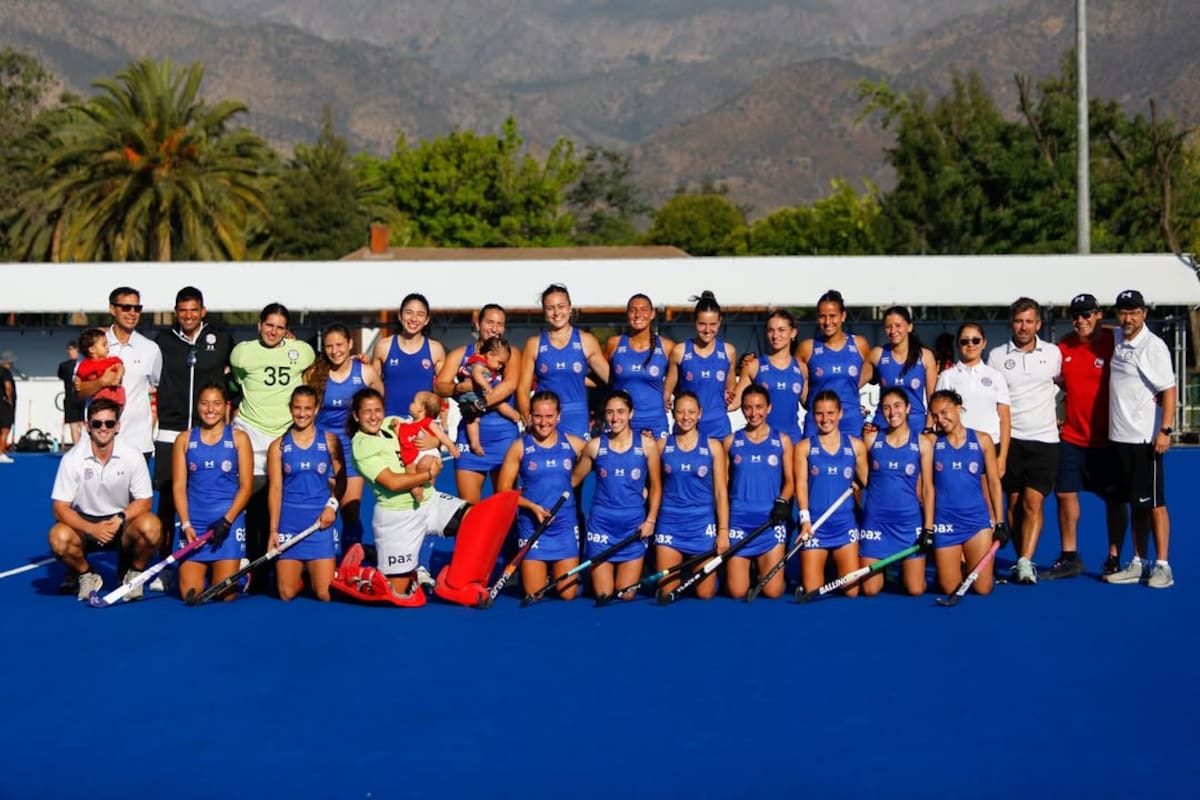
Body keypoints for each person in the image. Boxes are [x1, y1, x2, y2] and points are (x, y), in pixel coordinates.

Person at [348, 388, 469, 600]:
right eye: (367, 412)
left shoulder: (391, 423)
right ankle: (370, 555)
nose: (374, 417)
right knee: (399, 595)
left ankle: (457, 582)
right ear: (356, 416)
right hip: (398, 516)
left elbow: (425, 430)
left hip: (430, 500)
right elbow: (393, 483)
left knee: (475, 518)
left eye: (378, 410)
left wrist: (434, 442)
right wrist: (428, 474)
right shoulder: (361, 445)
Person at [229, 303, 316, 587]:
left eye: (280, 327)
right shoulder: (242, 353)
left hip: (285, 432)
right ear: (259, 325)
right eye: (269, 325)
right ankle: (252, 562)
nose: (273, 331)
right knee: (253, 499)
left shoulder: (302, 351)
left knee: (286, 499)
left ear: (287, 330)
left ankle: (289, 560)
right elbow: (239, 382)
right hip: (252, 430)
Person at [47, 398, 163, 600]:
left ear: (117, 426)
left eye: (109, 423)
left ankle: (134, 575)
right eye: (97, 423)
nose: (103, 428)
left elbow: (145, 501)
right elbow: (60, 508)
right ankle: (87, 574)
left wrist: (120, 518)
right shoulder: (72, 459)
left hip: (120, 523)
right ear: (88, 426)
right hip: (85, 525)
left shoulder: (132, 456)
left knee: (152, 527)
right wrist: (92, 529)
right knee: (58, 538)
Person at [1046, 293, 1127, 580]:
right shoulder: (1063, 347)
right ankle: (1070, 556)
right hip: (1072, 436)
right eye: (1076, 316)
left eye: (1087, 314)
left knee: (1115, 500)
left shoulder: (1115, 341)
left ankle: (1114, 557)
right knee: (1065, 494)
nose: (1080, 320)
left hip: (1109, 438)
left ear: (1098, 315)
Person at [153, 286, 235, 558]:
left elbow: (242, 369)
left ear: (203, 311)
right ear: (175, 312)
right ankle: (165, 561)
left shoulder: (221, 339)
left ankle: (216, 554)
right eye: (183, 310)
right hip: (170, 431)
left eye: (194, 310)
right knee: (167, 501)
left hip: (208, 432)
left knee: (210, 493)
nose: (188, 316)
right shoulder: (163, 341)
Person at [1104, 289, 1177, 589]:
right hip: (1119, 438)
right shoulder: (1118, 338)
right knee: (1136, 503)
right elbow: (1101, 329)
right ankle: (1138, 562)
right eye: (1123, 312)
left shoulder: (1153, 347)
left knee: (1155, 504)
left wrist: (1165, 430)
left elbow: (1169, 389)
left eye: (1134, 312)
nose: (1128, 318)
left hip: (1145, 439)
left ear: (1144, 314)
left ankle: (1163, 566)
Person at [986, 297, 1061, 585]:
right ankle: (1021, 559)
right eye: (1019, 321)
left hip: (1044, 440)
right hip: (1011, 440)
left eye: (1029, 321)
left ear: (1038, 324)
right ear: (1011, 323)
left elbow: (1070, 384)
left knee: (1033, 501)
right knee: (1014, 503)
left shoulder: (1053, 354)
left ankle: (1026, 560)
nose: (1024, 327)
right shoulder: (996, 356)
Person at [496, 390, 586, 600]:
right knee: (534, 593)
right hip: (532, 524)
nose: (543, 422)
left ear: (559, 416)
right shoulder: (519, 447)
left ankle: (566, 575)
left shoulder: (574, 444)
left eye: (549, 416)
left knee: (567, 594)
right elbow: (504, 490)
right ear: (530, 416)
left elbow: (607, 456)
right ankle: (536, 573)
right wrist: (532, 507)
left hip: (564, 525)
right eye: (537, 416)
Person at [571, 390, 661, 600]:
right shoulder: (594, 446)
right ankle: (591, 575)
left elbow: (656, 486)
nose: (614, 418)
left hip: (633, 526)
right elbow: (573, 480)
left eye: (620, 412)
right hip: (602, 524)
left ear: (631, 413)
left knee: (625, 595)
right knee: (603, 593)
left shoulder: (647, 445)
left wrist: (650, 520)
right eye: (610, 412)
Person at [434, 303, 522, 504]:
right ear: (478, 323)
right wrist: (460, 388)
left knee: (504, 505)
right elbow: (440, 386)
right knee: (469, 507)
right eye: (490, 322)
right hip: (470, 436)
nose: (494, 328)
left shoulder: (510, 354)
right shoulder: (460, 354)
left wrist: (478, 404)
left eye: (500, 324)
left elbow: (509, 386)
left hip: (504, 437)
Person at [172, 384, 253, 602]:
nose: (210, 409)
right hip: (195, 524)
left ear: (226, 406)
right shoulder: (184, 440)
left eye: (216, 403)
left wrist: (226, 521)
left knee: (224, 595)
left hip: (227, 522)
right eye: (205, 403)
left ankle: (241, 575)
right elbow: (179, 486)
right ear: (197, 406)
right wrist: (186, 525)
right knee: (190, 594)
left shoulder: (239, 438)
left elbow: (246, 486)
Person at [305, 323, 381, 551]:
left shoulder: (365, 372)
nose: (335, 350)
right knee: (321, 510)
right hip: (321, 449)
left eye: (339, 344)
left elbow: (379, 407)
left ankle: (351, 560)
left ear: (350, 344)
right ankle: (317, 560)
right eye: (329, 346)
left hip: (351, 450)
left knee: (350, 511)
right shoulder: (314, 373)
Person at [268, 386, 345, 602]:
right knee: (286, 593)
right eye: (297, 408)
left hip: (319, 521)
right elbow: (275, 489)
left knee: (324, 593)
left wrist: (332, 506)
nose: (302, 414)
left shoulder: (329, 441)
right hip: (289, 523)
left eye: (308, 408)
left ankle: (313, 572)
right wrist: (273, 530)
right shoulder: (278, 446)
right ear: (290, 408)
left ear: (317, 409)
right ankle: (301, 573)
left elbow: (342, 480)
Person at [927, 390, 1005, 597]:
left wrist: (999, 522)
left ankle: (968, 564)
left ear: (958, 408)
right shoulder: (931, 442)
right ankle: (956, 565)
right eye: (935, 416)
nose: (940, 420)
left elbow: (994, 483)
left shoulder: (982, 440)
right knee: (949, 588)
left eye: (944, 412)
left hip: (976, 522)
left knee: (983, 589)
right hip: (945, 522)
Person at [859, 387, 934, 596]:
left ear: (908, 408)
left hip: (907, 523)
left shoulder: (922, 443)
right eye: (886, 408)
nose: (892, 413)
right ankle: (886, 565)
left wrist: (928, 528)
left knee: (915, 589)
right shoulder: (871, 440)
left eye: (897, 406)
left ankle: (901, 567)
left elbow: (928, 488)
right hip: (876, 521)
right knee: (870, 589)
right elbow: (862, 476)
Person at [654, 391, 729, 599]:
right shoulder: (661, 445)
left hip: (701, 523)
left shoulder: (713, 446)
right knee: (668, 591)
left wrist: (723, 531)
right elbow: (651, 485)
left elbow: (721, 492)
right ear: (673, 414)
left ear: (700, 413)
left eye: (691, 412)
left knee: (705, 594)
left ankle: (715, 575)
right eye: (680, 412)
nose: (686, 417)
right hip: (670, 522)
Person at [794, 390, 868, 596]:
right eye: (819, 414)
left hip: (844, 525)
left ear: (840, 413)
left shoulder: (856, 446)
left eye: (830, 413)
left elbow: (868, 482)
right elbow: (801, 485)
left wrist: (859, 485)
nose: (825, 419)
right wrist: (805, 520)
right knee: (813, 591)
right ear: (812, 415)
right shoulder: (804, 447)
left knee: (851, 592)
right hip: (815, 526)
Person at [75, 287, 162, 463]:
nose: (132, 313)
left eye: (137, 308)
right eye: (126, 307)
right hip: (98, 441)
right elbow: (78, 391)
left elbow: (158, 388)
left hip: (137, 443)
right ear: (112, 309)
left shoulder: (150, 349)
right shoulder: (94, 343)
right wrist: (102, 382)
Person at [723, 385, 794, 599]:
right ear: (742, 409)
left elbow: (790, 481)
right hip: (739, 521)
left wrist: (783, 501)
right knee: (737, 592)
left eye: (759, 407)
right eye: (748, 408)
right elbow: (723, 485)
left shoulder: (782, 440)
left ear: (769, 408)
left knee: (773, 592)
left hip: (769, 521)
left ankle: (764, 570)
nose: (754, 413)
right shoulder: (731, 441)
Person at [517, 284, 609, 440]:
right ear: (544, 312)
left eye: (561, 306)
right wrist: (529, 419)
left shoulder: (586, 341)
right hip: (545, 416)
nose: (556, 313)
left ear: (570, 308)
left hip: (576, 416)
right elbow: (522, 389)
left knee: (578, 456)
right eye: (550, 308)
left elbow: (612, 379)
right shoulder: (534, 344)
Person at [933, 322, 1011, 475]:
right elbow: (938, 415)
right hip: (956, 448)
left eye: (976, 340)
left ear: (984, 343)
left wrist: (1002, 457)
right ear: (958, 345)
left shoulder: (996, 376)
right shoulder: (947, 376)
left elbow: (1005, 420)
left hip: (990, 447)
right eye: (964, 341)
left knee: (989, 491)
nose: (970, 345)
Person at [796, 289, 872, 437]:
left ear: (843, 316)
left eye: (832, 316)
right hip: (818, 423)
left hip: (851, 423)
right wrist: (811, 404)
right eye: (822, 316)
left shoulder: (859, 344)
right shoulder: (807, 348)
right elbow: (798, 382)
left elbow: (869, 373)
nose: (827, 322)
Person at [664, 290, 737, 441]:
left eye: (713, 324)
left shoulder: (728, 351)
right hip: (687, 428)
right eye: (702, 324)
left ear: (720, 322)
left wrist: (729, 395)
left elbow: (730, 390)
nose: (707, 330)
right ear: (694, 322)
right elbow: (666, 393)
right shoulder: (680, 351)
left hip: (719, 429)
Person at [605, 293, 675, 440]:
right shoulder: (614, 343)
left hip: (655, 423)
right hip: (621, 421)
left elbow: (680, 379)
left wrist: (669, 396)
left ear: (652, 314)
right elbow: (601, 376)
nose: (638, 315)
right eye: (633, 310)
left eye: (643, 310)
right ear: (627, 314)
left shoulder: (667, 346)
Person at [731, 309, 807, 442]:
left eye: (781, 330)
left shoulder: (801, 368)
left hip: (792, 440)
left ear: (793, 332)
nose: (775, 335)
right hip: (762, 441)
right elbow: (733, 403)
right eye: (771, 330)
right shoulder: (753, 366)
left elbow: (809, 403)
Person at [372, 293, 447, 419]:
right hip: (389, 421)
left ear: (427, 320)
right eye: (408, 312)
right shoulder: (383, 346)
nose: (413, 318)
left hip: (422, 423)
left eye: (420, 314)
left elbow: (444, 387)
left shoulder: (435, 349)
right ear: (400, 316)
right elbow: (371, 385)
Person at [869, 306, 937, 433]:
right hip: (884, 426)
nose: (893, 330)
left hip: (915, 427)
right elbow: (853, 382)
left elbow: (932, 400)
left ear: (909, 327)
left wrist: (928, 428)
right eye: (888, 327)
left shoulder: (925, 356)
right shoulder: (877, 354)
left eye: (898, 325)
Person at [457, 335, 520, 456]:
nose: (500, 367)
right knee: (477, 417)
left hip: (476, 394)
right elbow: (477, 375)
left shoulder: (486, 364)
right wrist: (487, 387)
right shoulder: (478, 362)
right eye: (499, 363)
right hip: (472, 395)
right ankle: (475, 442)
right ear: (490, 354)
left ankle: (514, 415)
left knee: (490, 409)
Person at [398, 390, 459, 503]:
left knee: (424, 464)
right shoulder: (407, 424)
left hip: (428, 452)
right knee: (410, 471)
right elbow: (400, 434)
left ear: (421, 409)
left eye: (414, 402)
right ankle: (418, 493)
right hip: (413, 455)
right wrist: (395, 425)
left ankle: (429, 488)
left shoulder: (429, 422)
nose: (410, 404)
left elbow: (441, 435)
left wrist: (451, 446)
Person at [76, 327, 126, 406]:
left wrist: (117, 378)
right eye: (104, 345)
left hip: (116, 397)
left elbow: (121, 368)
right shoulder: (85, 365)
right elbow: (79, 376)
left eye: (107, 344)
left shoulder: (111, 360)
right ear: (92, 349)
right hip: (99, 401)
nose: (108, 347)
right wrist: (77, 382)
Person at [58, 342, 85, 445]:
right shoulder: (84, 364)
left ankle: (78, 447)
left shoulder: (64, 366)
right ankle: (81, 447)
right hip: (79, 397)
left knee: (77, 425)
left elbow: (61, 376)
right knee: (79, 425)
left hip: (74, 397)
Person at [0, 350, 15, 464]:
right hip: (4, 404)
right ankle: (1, 453)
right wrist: (9, 400)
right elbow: (8, 386)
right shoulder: (6, 372)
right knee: (5, 429)